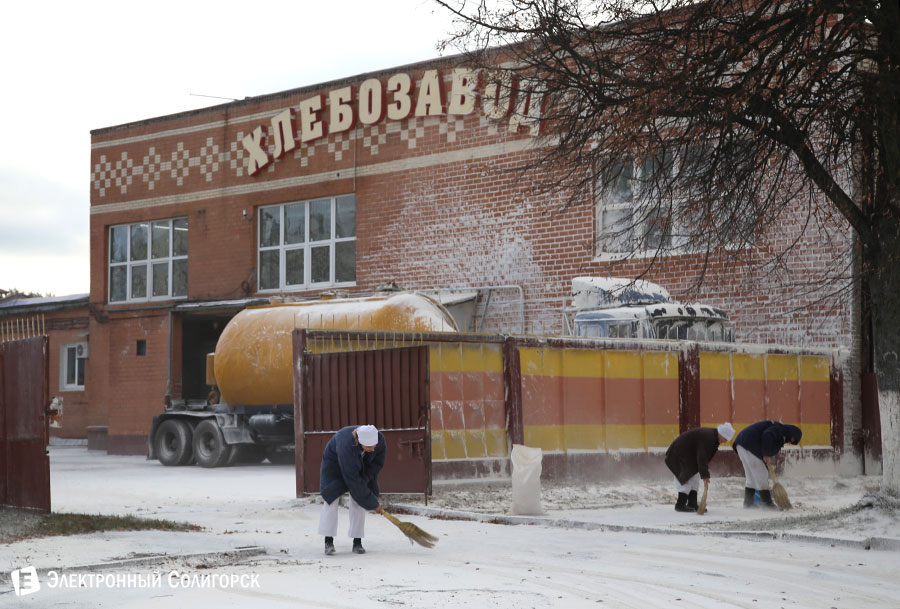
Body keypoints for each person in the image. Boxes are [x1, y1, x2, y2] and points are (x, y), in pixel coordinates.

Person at [318, 424, 386, 555]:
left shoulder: (379, 441)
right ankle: (328, 541)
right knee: (331, 500)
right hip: (334, 466)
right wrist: (373, 504)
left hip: (359, 467)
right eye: (369, 447)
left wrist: (369, 493)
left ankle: (357, 541)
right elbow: (353, 479)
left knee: (358, 500)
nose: (373, 449)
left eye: (374, 446)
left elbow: (376, 465)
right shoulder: (346, 445)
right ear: (360, 442)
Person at [664, 422, 735, 512]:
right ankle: (680, 504)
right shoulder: (709, 437)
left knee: (694, 479)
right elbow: (702, 457)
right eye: (726, 438)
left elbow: (702, 457)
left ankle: (692, 503)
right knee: (685, 477)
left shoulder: (713, 437)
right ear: (721, 434)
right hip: (679, 454)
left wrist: (704, 473)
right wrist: (705, 475)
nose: (726, 441)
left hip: (688, 456)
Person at [732, 420, 802, 508]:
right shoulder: (780, 430)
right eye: (793, 439)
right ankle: (768, 504)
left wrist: (766, 453)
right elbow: (767, 435)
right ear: (792, 433)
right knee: (762, 475)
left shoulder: (778, 428)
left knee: (751, 478)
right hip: (749, 445)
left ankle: (748, 504)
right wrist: (766, 453)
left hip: (741, 444)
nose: (790, 441)